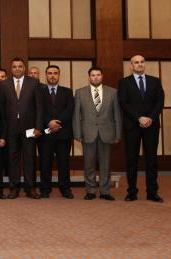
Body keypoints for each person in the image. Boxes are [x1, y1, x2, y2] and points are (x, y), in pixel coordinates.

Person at [118, 55, 165, 203]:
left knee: (151, 160)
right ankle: (131, 192)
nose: (139, 64)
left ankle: (152, 192)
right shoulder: (124, 82)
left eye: (142, 62)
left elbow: (160, 101)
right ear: (131, 66)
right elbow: (123, 103)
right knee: (132, 160)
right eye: (136, 62)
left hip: (151, 125)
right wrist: (139, 118)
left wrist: (149, 117)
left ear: (144, 64)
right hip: (133, 125)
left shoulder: (155, 81)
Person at [74, 66, 122, 201]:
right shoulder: (80, 92)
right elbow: (76, 115)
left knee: (105, 164)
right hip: (87, 133)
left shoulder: (113, 92)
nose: (95, 77)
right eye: (93, 75)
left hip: (107, 133)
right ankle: (90, 190)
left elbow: (117, 115)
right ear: (89, 77)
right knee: (88, 164)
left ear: (102, 76)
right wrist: (77, 133)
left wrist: (118, 133)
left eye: (98, 75)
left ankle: (105, 191)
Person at [1, 57, 43, 199]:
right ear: (11, 68)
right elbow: (2, 108)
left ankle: (30, 188)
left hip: (29, 128)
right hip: (11, 128)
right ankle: (14, 188)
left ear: (24, 68)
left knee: (30, 158)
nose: (17, 68)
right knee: (12, 158)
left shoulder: (34, 83)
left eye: (20, 66)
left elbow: (39, 107)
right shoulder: (4, 84)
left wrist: (38, 127)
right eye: (14, 66)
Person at [39, 65, 74, 199]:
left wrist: (57, 122)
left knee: (64, 163)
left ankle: (65, 189)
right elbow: (39, 110)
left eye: (55, 73)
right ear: (46, 75)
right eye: (50, 73)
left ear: (59, 75)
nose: (52, 75)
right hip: (46, 134)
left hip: (63, 133)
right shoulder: (39, 92)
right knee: (45, 163)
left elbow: (69, 110)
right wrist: (49, 123)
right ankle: (45, 189)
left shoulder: (67, 91)